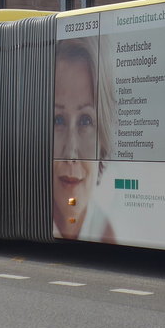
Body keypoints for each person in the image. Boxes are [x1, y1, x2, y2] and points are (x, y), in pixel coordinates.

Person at [52, 37, 115, 242]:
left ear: (103, 141)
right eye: (58, 120)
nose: (71, 152)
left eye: (85, 121)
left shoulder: (108, 235)